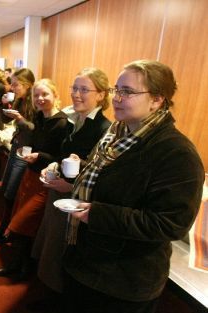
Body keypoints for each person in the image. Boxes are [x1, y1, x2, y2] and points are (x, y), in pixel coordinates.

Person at [63, 60, 204, 313]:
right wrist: (79, 169)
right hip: (87, 261)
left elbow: (171, 223)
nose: (117, 97)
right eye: (117, 89)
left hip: (123, 281)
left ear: (157, 100)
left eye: (127, 92)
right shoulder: (117, 134)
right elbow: (109, 180)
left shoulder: (177, 154)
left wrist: (97, 214)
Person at [29, 67, 112, 312]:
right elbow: (66, 156)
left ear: (101, 95)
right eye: (74, 88)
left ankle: (57, 300)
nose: (76, 94)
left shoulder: (103, 128)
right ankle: (52, 296)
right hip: (60, 193)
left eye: (84, 89)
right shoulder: (75, 121)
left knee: (62, 250)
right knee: (52, 246)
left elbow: (103, 175)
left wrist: (70, 184)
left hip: (76, 200)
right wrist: (53, 165)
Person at [0, 79, 67, 280]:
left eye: (45, 95)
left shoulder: (62, 123)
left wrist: (39, 156)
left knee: (22, 222)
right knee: (26, 226)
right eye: (37, 95)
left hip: (45, 181)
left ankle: (21, 266)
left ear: (55, 96)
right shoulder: (38, 117)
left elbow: (61, 157)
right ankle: (22, 267)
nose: (40, 99)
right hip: (30, 174)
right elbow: (33, 142)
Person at [0, 68, 36, 243]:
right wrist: (5, 105)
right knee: (6, 190)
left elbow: (34, 129)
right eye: (11, 84)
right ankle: (6, 229)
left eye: (15, 84)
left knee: (11, 193)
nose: (12, 87)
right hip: (16, 146)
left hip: (26, 151)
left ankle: (5, 231)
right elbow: (6, 121)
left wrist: (19, 119)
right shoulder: (19, 99)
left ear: (27, 85)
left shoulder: (35, 102)